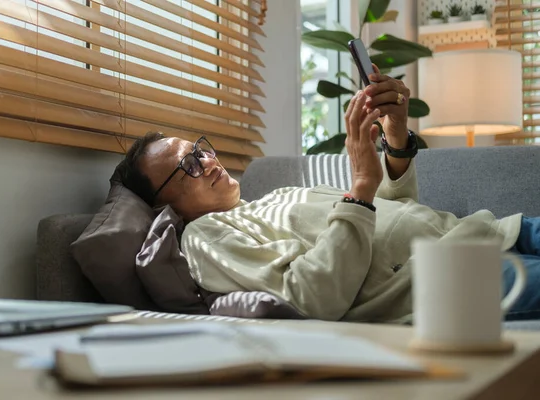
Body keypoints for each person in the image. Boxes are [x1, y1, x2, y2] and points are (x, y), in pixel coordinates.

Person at [120, 68, 540, 323]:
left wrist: (394, 142)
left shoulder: (277, 196)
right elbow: (312, 298)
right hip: (450, 280)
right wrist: (359, 188)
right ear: (163, 205)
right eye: (187, 166)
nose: (208, 161)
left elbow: (393, 209)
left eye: (200, 149)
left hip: (495, 231)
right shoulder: (205, 238)